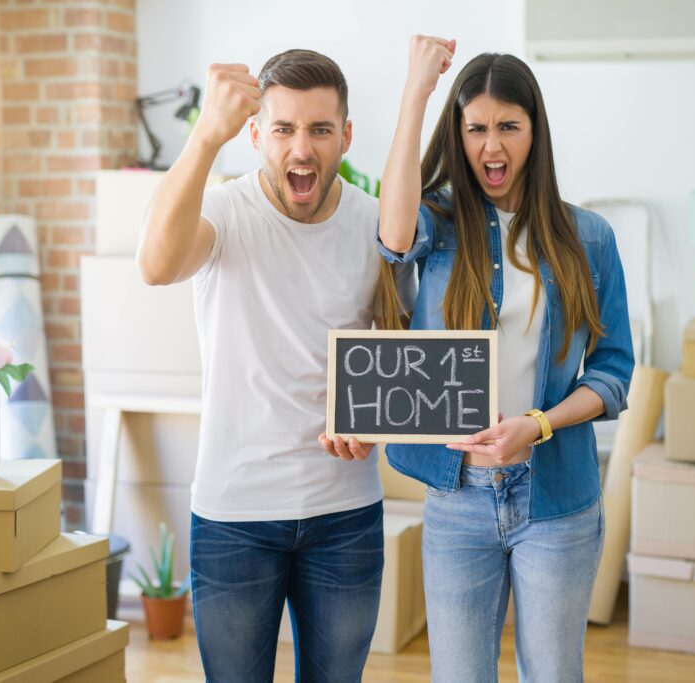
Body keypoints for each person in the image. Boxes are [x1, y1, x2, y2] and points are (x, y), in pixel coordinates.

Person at [138, 49, 413, 683]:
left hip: (345, 513)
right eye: (284, 128)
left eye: (320, 129)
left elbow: (395, 347)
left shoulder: (376, 224)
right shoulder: (226, 213)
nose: (302, 148)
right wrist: (207, 134)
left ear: (345, 135)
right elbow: (154, 266)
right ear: (256, 133)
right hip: (235, 514)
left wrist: (376, 420)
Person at [376, 36, 635, 682]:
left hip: (557, 498)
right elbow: (392, 237)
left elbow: (614, 370)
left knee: (552, 673)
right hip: (458, 494)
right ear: (458, 135)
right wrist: (416, 90)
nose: (492, 146)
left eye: (509, 127)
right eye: (477, 129)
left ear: (534, 132)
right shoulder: (437, 223)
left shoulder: (589, 238)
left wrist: (537, 424)